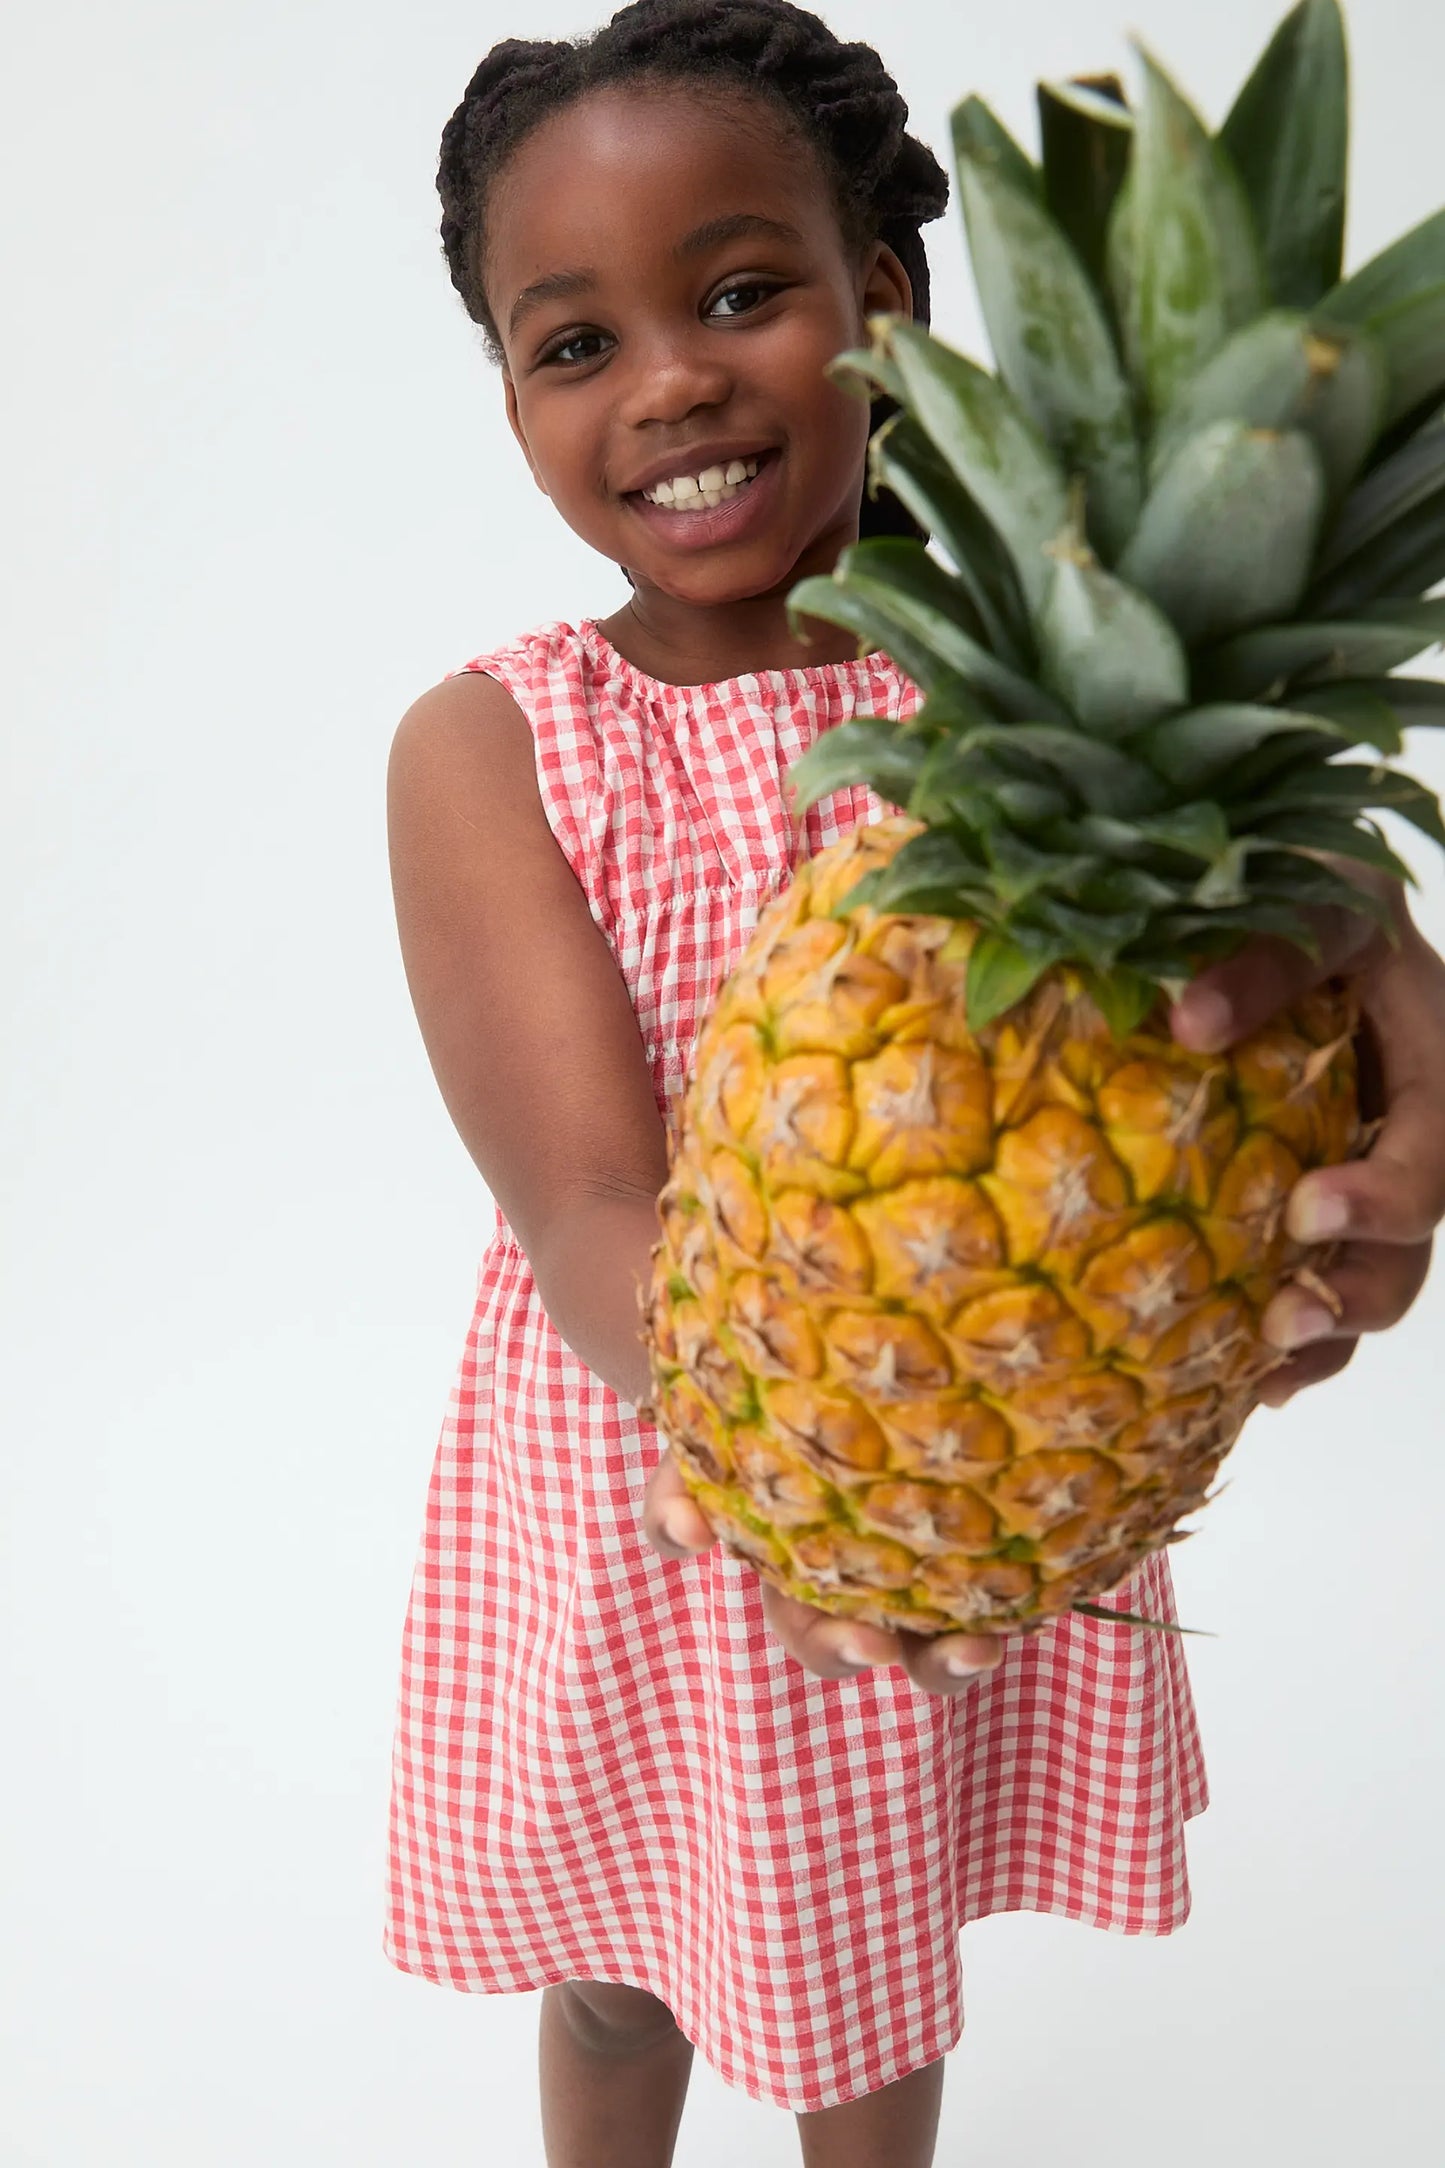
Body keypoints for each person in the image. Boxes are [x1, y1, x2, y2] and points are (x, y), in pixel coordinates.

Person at [381, 5, 1445, 2162]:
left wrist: (1377, 981)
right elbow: (586, 1199)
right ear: (504, 393)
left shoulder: (1014, 696)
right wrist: (780, 1445)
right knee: (612, 1963)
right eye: (570, 342)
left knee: (873, 1959)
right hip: (644, 1460)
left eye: (745, 291)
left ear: (886, 301)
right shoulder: (495, 743)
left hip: (992, 1434)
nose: (672, 379)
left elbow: (1330, 935)